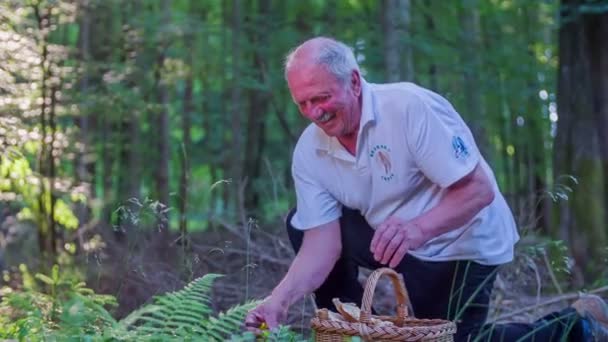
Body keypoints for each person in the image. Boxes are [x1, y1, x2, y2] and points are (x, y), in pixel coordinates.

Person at [245, 37, 608, 341]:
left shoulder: (409, 108)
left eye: (321, 98)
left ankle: (578, 327)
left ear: (354, 82)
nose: (314, 113)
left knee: (452, 339)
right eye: (303, 103)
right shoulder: (310, 150)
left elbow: (478, 190)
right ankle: (352, 330)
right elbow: (323, 242)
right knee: (303, 222)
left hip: (461, 241)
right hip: (392, 238)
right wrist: (280, 299)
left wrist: (417, 228)